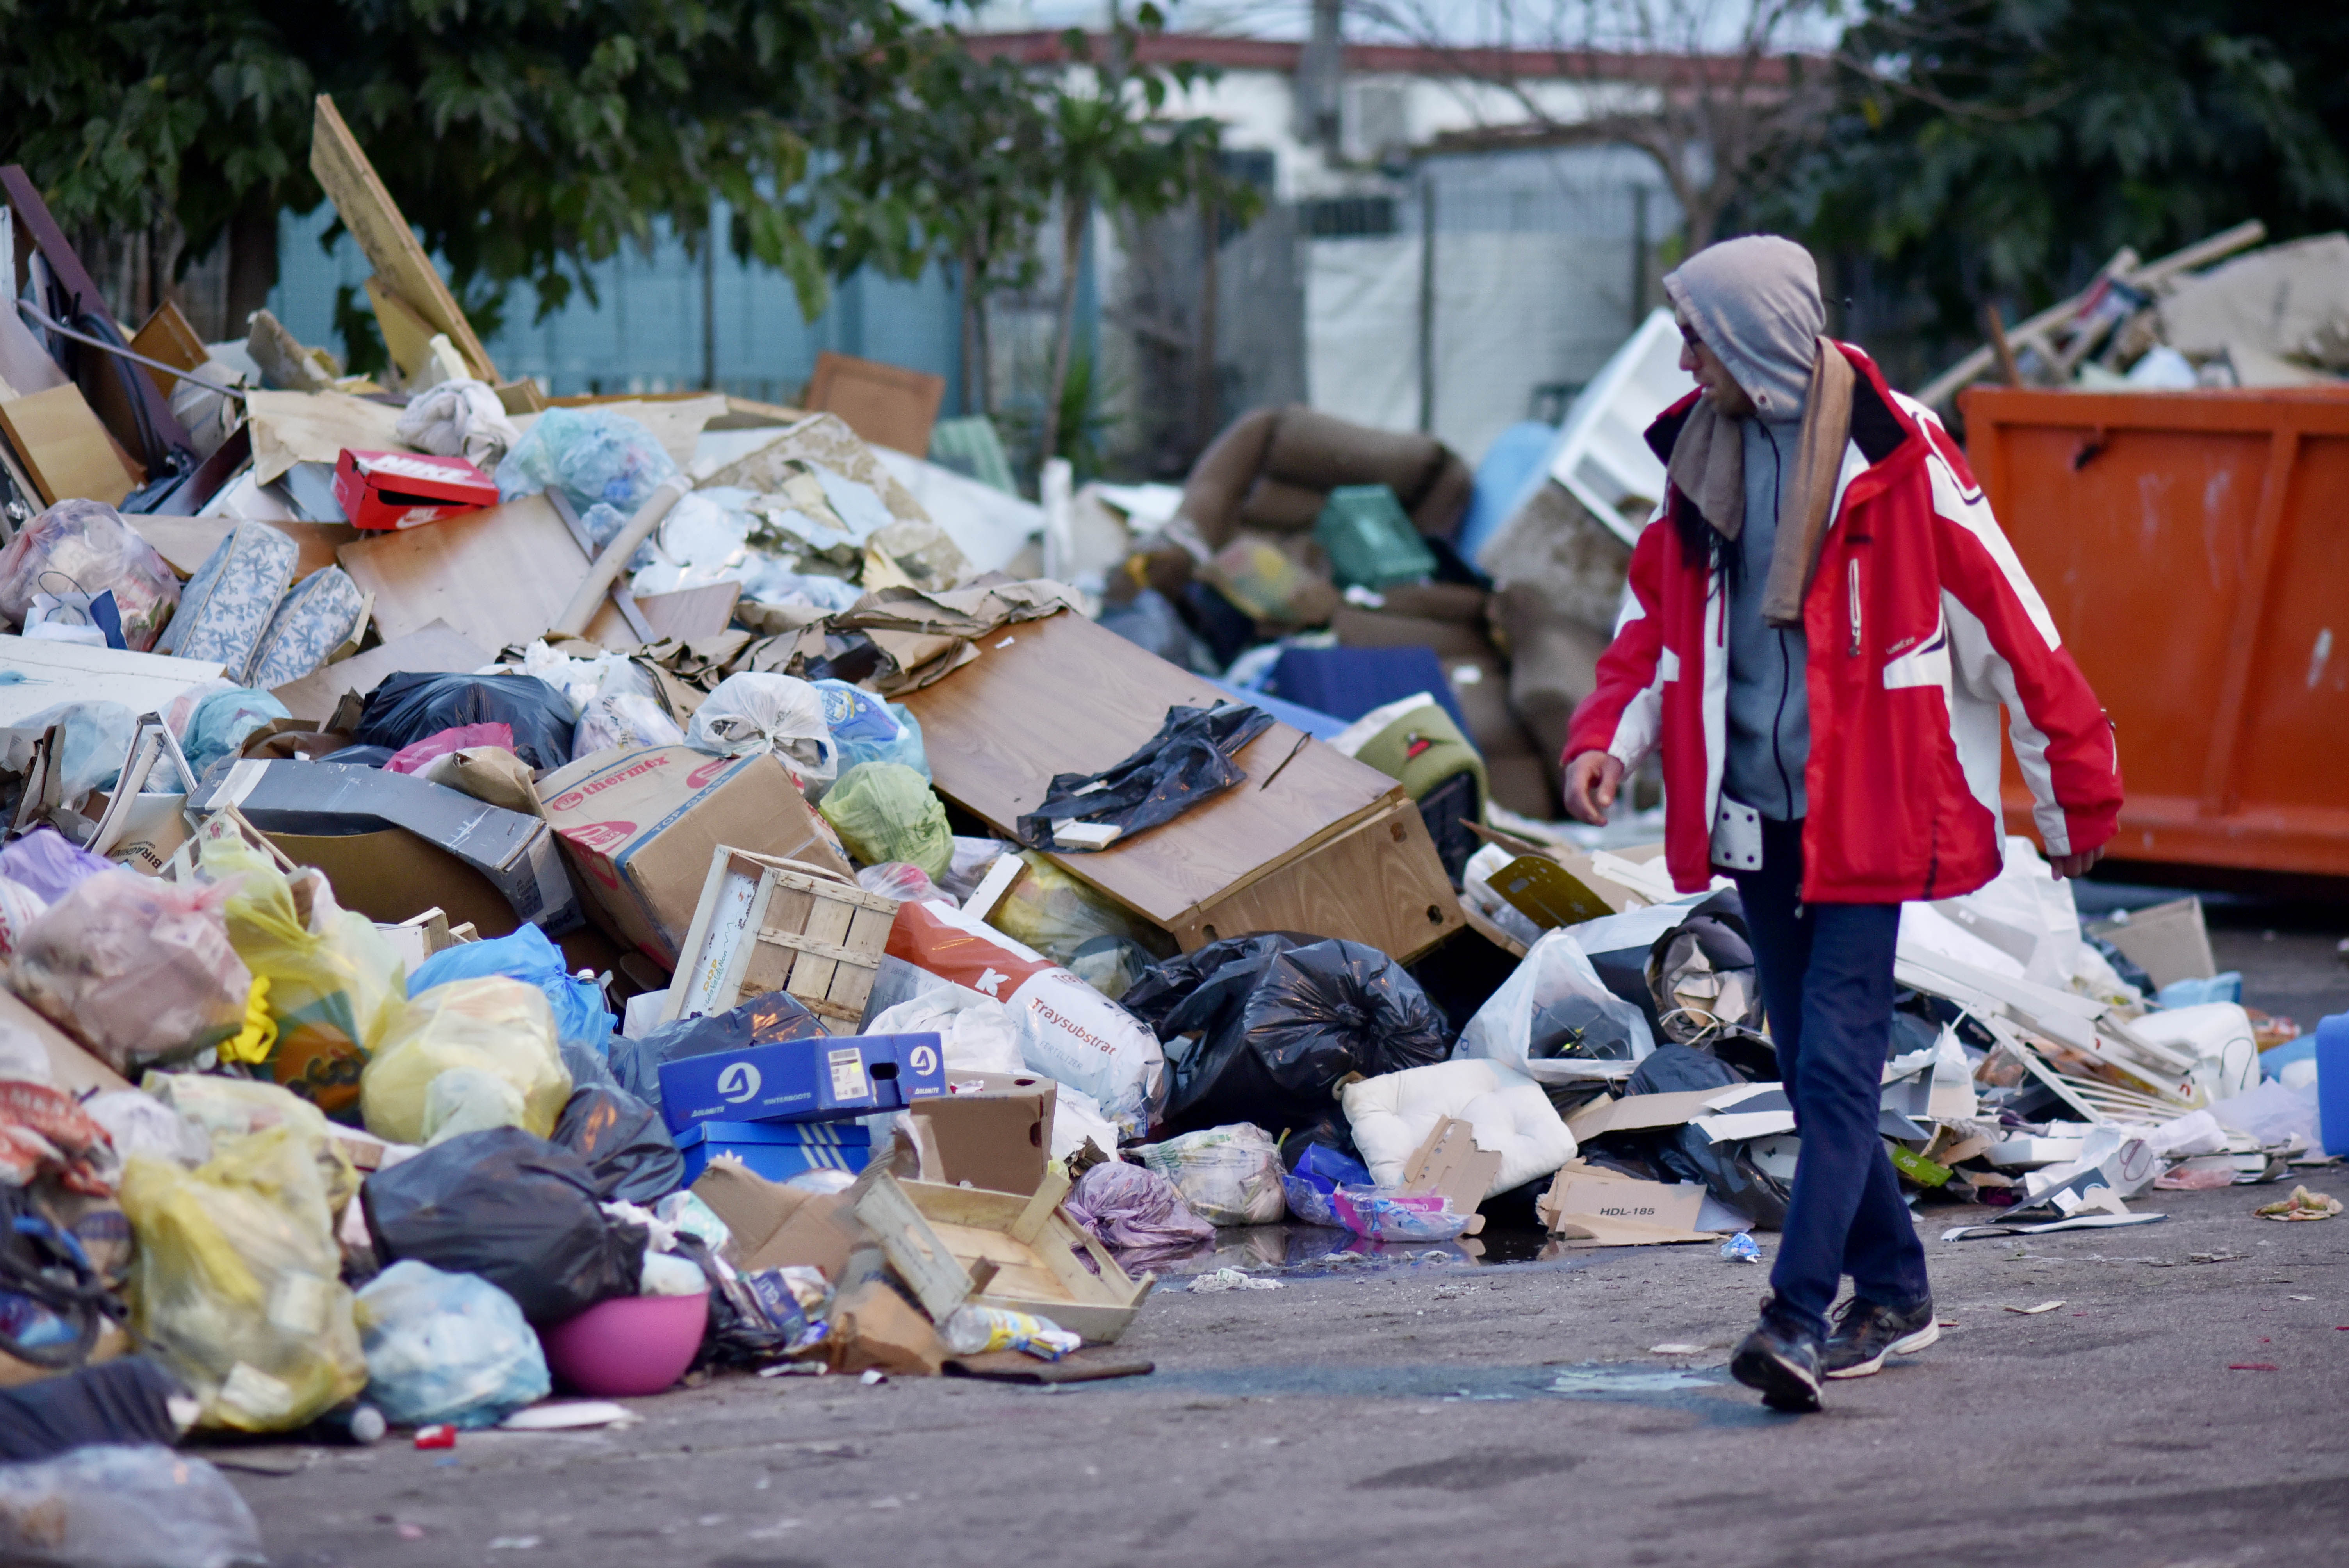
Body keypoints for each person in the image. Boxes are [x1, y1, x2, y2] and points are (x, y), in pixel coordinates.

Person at [1559, 235, 2122, 1411]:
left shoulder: (1900, 448)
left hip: (1872, 816)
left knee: (1834, 1068)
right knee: (1824, 1079)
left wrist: (2075, 790)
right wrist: (1607, 741)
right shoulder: (1697, 455)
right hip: (1758, 813)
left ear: (1757, 336)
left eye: (1697, 333)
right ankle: (1901, 1289)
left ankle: (1796, 1317)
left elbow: (2015, 626)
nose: (1679, 355)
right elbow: (1651, 626)